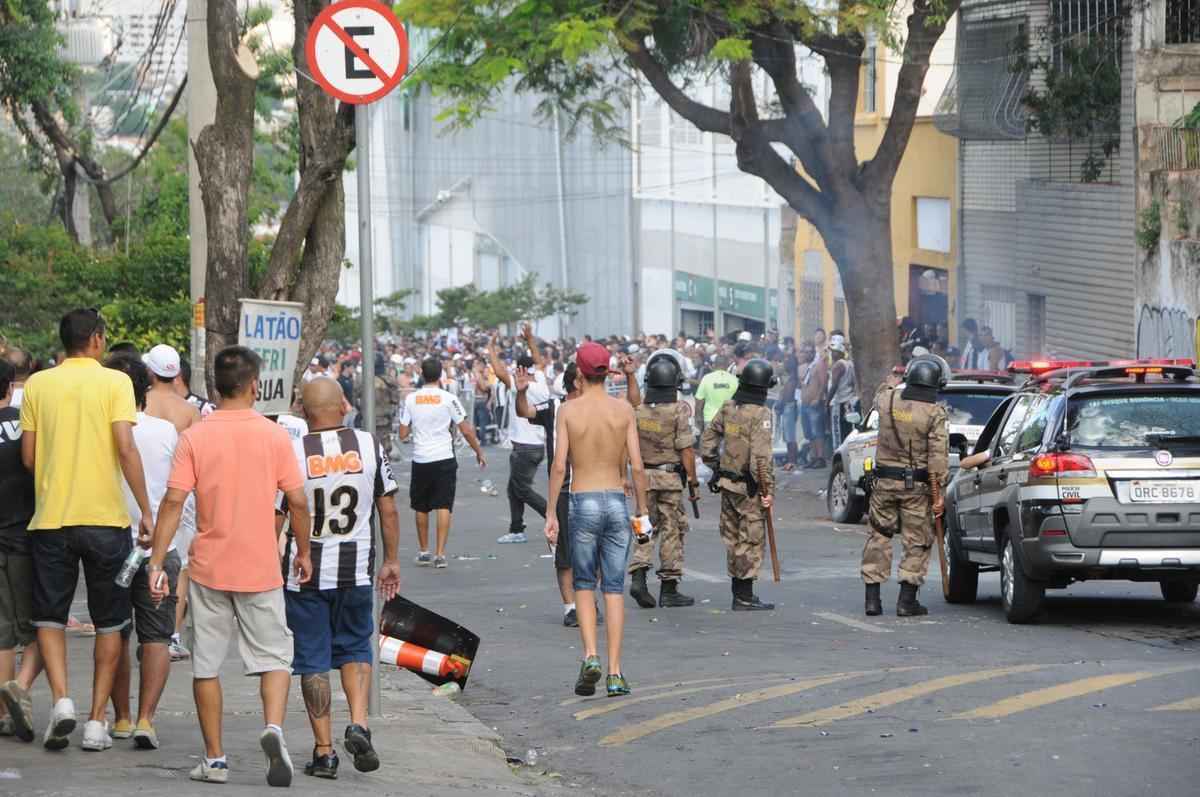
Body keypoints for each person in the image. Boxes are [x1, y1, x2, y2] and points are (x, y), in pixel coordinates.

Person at [148, 345, 313, 786]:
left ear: (214, 385)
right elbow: (297, 501)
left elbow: (173, 502)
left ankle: (215, 759)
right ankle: (273, 727)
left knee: (206, 665)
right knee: (276, 657)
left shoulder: (195, 436)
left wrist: (157, 561)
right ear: (255, 385)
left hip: (208, 569)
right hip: (260, 567)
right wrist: (303, 551)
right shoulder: (275, 436)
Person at [19, 308, 155, 752]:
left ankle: (61, 701)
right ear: (96, 340)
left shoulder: (39, 384)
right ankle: (98, 720)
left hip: (50, 521)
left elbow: (28, 457)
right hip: (106, 523)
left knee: (49, 617)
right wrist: (146, 510)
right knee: (110, 621)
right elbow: (126, 448)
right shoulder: (115, 382)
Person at [280, 378, 401, 780]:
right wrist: (393, 560)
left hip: (305, 573)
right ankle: (360, 722)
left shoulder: (292, 453)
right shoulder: (369, 445)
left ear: (302, 410)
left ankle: (325, 752)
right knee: (354, 648)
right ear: (343, 405)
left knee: (312, 660)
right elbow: (388, 509)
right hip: (356, 572)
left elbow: (278, 515)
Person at [544, 342, 648, 698]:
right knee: (614, 588)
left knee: (584, 584)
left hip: (582, 499)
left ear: (579, 371)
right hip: (618, 501)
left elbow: (560, 465)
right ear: (608, 371)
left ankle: (590, 656)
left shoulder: (568, 411)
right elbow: (637, 466)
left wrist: (549, 513)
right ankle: (616, 673)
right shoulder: (623, 411)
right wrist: (643, 512)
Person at [104, 354, 179, 750]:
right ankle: (147, 718)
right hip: (160, 549)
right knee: (157, 636)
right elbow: (180, 494)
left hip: (112, 543)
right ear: (145, 388)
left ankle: (120, 717)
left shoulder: (102, 430)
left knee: (113, 629)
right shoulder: (166, 431)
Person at [860, 356, 949, 618]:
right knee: (917, 541)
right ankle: (906, 601)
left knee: (878, 536)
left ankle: (872, 600)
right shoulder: (934, 413)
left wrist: (892, 382)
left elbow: (882, 391)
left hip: (883, 482)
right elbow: (938, 458)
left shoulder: (886, 400)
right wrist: (939, 494)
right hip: (917, 488)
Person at [700, 358, 777, 611]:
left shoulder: (728, 407)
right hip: (750, 487)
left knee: (732, 538)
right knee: (750, 539)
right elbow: (760, 459)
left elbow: (708, 441)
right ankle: (744, 596)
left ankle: (739, 593)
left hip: (727, 483)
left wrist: (715, 468)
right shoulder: (762, 414)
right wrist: (767, 491)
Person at [398, 358, 486, 569]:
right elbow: (465, 429)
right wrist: (478, 451)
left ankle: (424, 551)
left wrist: (416, 428)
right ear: (440, 376)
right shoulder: (448, 398)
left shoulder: (411, 399)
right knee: (443, 505)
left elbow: (402, 434)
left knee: (421, 505)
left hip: (421, 458)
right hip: (444, 457)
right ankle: (440, 554)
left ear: (421, 374)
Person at [627, 356, 697, 610]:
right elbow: (686, 449)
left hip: (642, 478)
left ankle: (638, 576)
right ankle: (669, 589)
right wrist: (693, 480)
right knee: (672, 531)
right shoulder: (678, 410)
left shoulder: (638, 410)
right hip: (669, 479)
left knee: (643, 526)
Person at [516, 362, 580, 626]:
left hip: (593, 486)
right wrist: (520, 392)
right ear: (576, 382)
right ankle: (571, 607)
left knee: (594, 551)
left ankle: (587, 598)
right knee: (564, 553)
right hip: (564, 488)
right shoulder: (553, 408)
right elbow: (525, 411)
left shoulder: (600, 408)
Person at [0, 358, 43, 743]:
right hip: (27, 539)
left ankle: (1, 710)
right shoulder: (24, 424)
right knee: (39, 630)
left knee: (1, 633)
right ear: (10, 387)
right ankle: (19, 693)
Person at [489, 328, 551, 544]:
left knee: (522, 490)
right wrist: (531, 340)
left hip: (525, 447)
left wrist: (491, 349)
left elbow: (498, 371)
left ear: (520, 369)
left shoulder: (519, 385)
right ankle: (516, 529)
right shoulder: (541, 379)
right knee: (513, 489)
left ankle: (553, 517)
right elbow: (539, 362)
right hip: (534, 446)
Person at [800, 343, 829, 469]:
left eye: (809, 352)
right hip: (805, 404)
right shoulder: (808, 367)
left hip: (814, 404)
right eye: (805, 352)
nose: (807, 354)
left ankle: (820, 458)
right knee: (809, 433)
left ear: (813, 353)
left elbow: (823, 383)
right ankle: (813, 457)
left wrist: (818, 398)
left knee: (817, 432)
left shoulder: (819, 364)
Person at [694, 355, 737, 436]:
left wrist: (698, 422)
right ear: (727, 365)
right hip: (730, 420)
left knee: (709, 447)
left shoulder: (706, 378)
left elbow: (699, 402)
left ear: (714, 365)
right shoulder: (735, 380)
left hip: (710, 420)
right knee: (731, 446)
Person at [827, 336, 857, 450]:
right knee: (848, 433)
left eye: (833, 351)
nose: (831, 353)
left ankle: (839, 462)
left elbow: (834, 386)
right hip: (849, 403)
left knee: (838, 435)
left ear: (837, 351)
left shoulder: (838, 365)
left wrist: (827, 403)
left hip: (839, 404)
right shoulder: (849, 363)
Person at [778, 355, 801, 471]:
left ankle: (792, 461)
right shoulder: (790, 378)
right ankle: (790, 461)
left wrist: (781, 403)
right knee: (787, 436)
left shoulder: (793, 379)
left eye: (787, 361)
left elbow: (789, 396)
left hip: (789, 407)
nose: (784, 364)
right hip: (787, 408)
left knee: (790, 436)